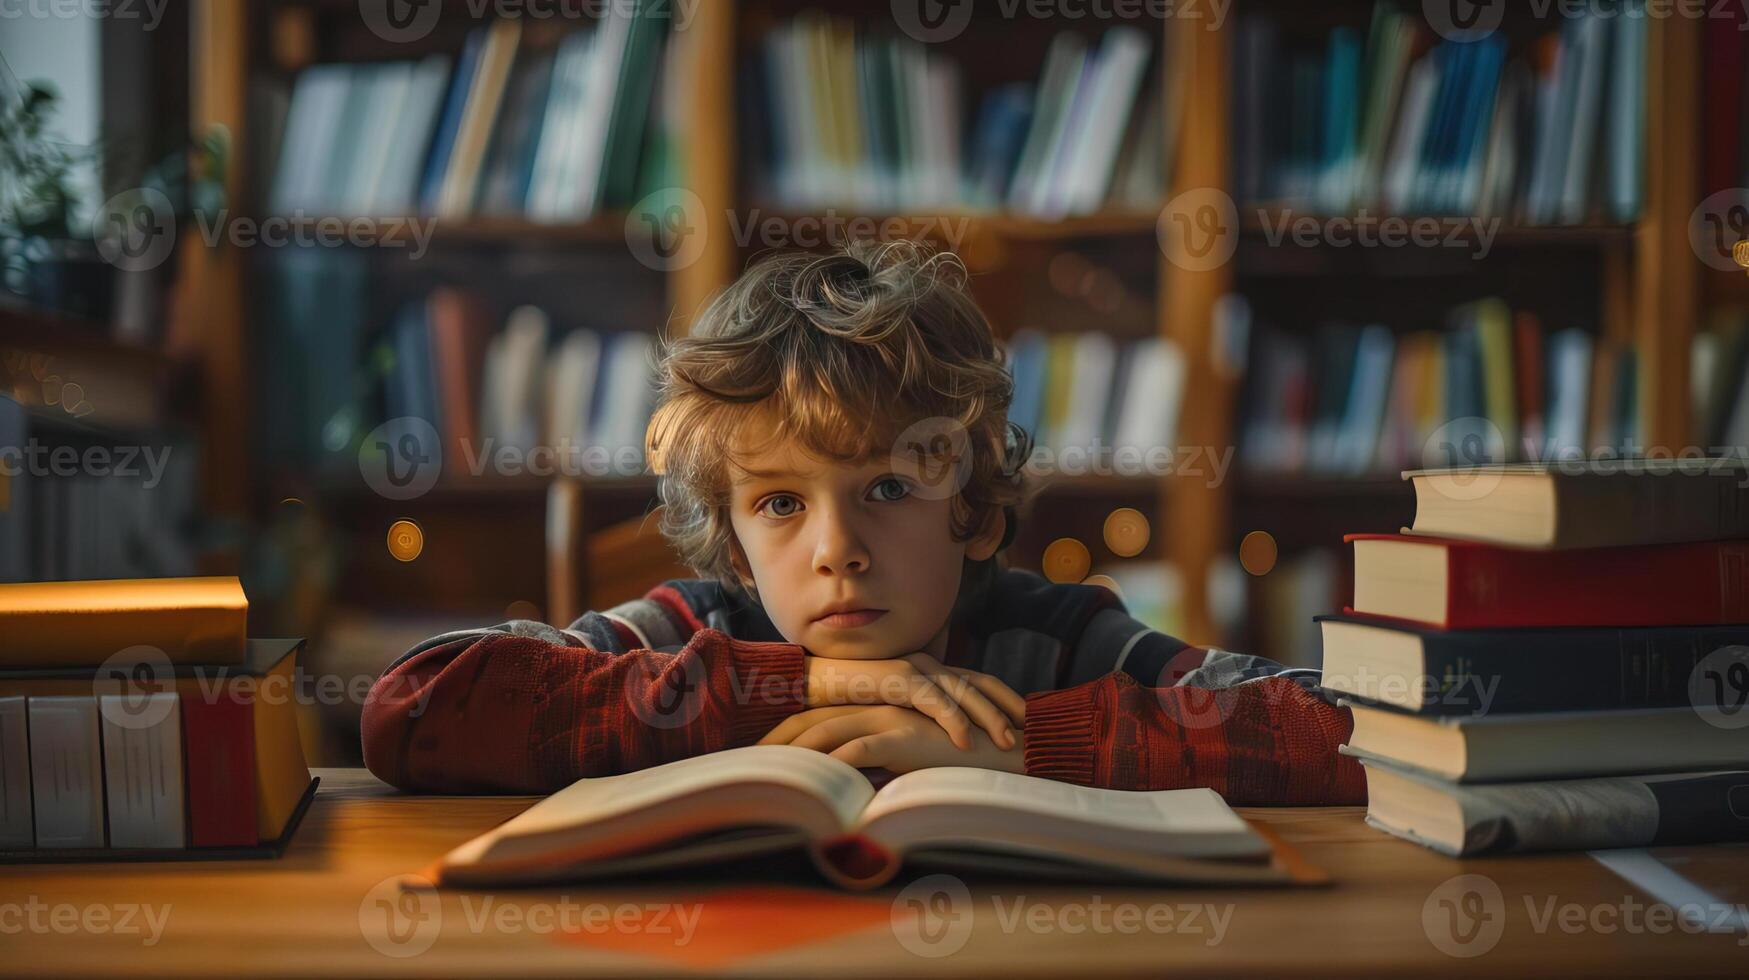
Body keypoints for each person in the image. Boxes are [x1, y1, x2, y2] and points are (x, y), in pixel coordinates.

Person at [361, 240, 1364, 805]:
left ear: (970, 507)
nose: (835, 547)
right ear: (734, 531)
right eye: (782, 503)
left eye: (886, 488)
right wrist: (798, 682)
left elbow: (1349, 733)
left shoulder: (1057, 637)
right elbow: (411, 708)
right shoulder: (700, 625)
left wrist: (1023, 748)